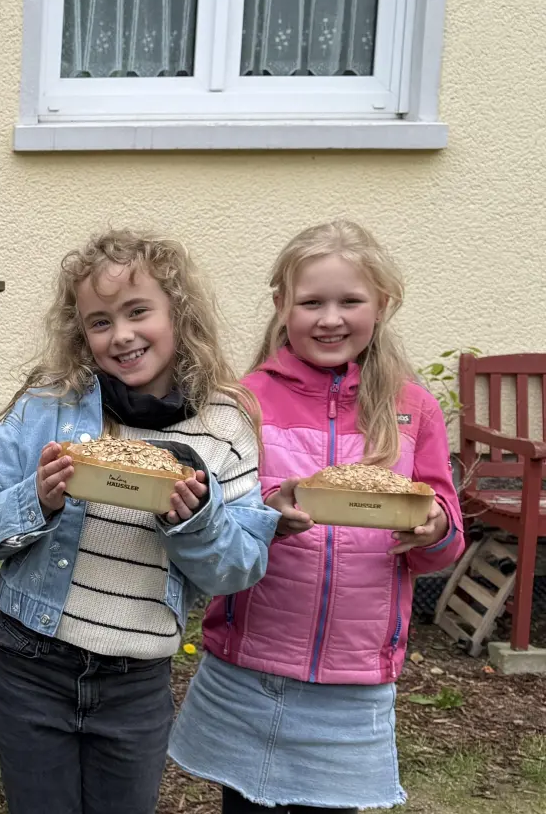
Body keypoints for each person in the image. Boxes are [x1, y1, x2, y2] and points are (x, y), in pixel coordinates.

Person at [0, 229, 279, 814]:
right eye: (100, 322)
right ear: (81, 333)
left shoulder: (225, 424)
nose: (122, 335)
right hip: (34, 661)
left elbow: (241, 567)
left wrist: (196, 521)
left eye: (138, 312)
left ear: (177, 313)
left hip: (137, 679)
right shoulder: (49, 405)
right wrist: (38, 501)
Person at [168, 221, 465, 813]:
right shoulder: (245, 399)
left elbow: (443, 536)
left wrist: (433, 530)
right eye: (312, 302)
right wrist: (267, 514)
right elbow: (216, 514)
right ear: (282, 305)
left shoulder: (412, 409)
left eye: (350, 301)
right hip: (253, 659)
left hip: (355, 674)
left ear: (382, 304)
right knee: (245, 806)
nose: (330, 318)